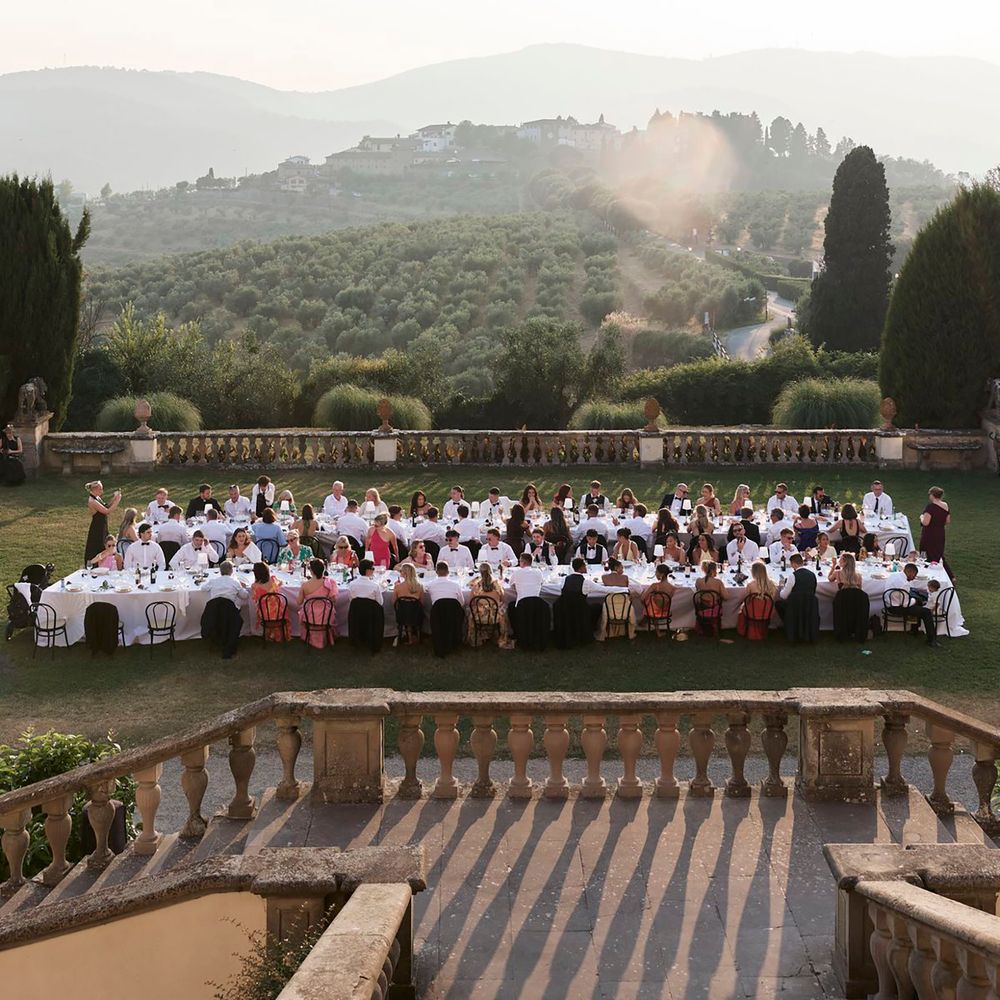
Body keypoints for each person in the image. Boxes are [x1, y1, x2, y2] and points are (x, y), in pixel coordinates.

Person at [885, 562, 940, 646]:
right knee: (926, 611)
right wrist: (915, 600)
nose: (914, 578)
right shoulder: (905, 583)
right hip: (897, 608)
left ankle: (914, 630)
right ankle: (931, 640)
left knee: (917, 605)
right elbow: (905, 604)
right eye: (914, 575)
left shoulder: (894, 575)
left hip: (888, 604)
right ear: (910, 572)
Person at [467, 562, 509, 647]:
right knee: (503, 609)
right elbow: (503, 599)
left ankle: (478, 636)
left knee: (468, 610)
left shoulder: (476, 585)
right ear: (491, 571)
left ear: (480, 572)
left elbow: (470, 601)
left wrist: (481, 603)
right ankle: (500, 636)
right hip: (495, 616)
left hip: (479, 616)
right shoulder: (497, 584)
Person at [299, 558, 339, 647]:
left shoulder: (305, 585)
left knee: (302, 610)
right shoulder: (331, 582)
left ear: (311, 571)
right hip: (326, 615)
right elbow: (334, 600)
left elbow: (299, 602)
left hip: (309, 615)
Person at [919, 486, 953, 580]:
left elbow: (926, 522)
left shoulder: (930, 507)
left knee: (926, 554)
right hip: (940, 533)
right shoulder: (945, 506)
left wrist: (921, 517)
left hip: (929, 534)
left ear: (932, 495)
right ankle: (949, 575)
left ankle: (927, 574)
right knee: (938, 554)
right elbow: (947, 521)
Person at [85, 480, 122, 562]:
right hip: (97, 527)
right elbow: (106, 511)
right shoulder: (92, 501)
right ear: (94, 490)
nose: (102, 491)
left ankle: (106, 562)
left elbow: (106, 506)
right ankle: (95, 563)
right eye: (100, 489)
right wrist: (117, 500)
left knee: (104, 543)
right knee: (99, 545)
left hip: (102, 525)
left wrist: (114, 498)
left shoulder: (97, 497)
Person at [392, 562, 424, 645]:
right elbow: (422, 603)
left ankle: (409, 637)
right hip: (416, 614)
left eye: (401, 571)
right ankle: (413, 636)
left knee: (405, 610)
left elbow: (393, 602)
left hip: (402, 614)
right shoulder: (420, 586)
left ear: (405, 573)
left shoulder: (398, 587)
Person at [694, 562, 728, 635]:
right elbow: (726, 597)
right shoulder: (718, 582)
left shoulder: (698, 580)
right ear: (713, 570)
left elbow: (697, 590)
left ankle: (702, 629)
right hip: (713, 609)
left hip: (701, 608)